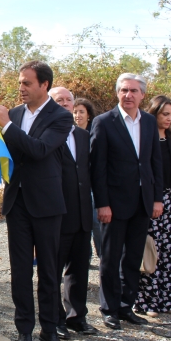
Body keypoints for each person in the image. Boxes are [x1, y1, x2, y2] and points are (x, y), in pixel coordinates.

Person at [0, 61, 73, 341]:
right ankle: (24, 330)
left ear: (44, 85)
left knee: (49, 271)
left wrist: (8, 127)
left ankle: (49, 330)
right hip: (18, 203)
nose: (21, 88)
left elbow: (38, 150)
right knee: (21, 271)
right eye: (20, 83)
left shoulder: (61, 117)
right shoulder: (13, 114)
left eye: (27, 83)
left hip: (48, 204)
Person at [90, 73, 163, 330]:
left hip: (143, 203)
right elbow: (97, 168)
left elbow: (155, 162)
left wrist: (157, 198)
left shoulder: (150, 122)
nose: (128, 95)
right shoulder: (103, 122)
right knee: (110, 259)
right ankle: (109, 309)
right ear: (117, 93)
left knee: (133, 258)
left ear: (142, 95)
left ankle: (126, 306)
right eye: (123, 90)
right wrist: (102, 203)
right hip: (114, 204)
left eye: (133, 91)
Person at [135, 96, 171, 317]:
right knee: (151, 250)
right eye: (164, 114)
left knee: (170, 252)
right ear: (154, 113)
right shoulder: (144, 136)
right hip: (150, 200)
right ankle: (147, 302)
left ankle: (169, 300)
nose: (169, 118)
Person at [56, 113, 98, 337]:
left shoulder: (83, 135)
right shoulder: (46, 135)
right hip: (57, 216)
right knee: (52, 273)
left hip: (82, 215)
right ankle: (55, 320)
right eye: (58, 101)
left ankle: (77, 317)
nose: (64, 105)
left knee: (79, 271)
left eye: (68, 101)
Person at [73, 97, 102, 258]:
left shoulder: (95, 132)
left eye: (81, 112)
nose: (78, 115)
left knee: (96, 221)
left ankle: (103, 253)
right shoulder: (68, 132)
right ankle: (86, 256)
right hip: (76, 183)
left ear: (88, 114)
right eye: (75, 112)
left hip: (93, 182)